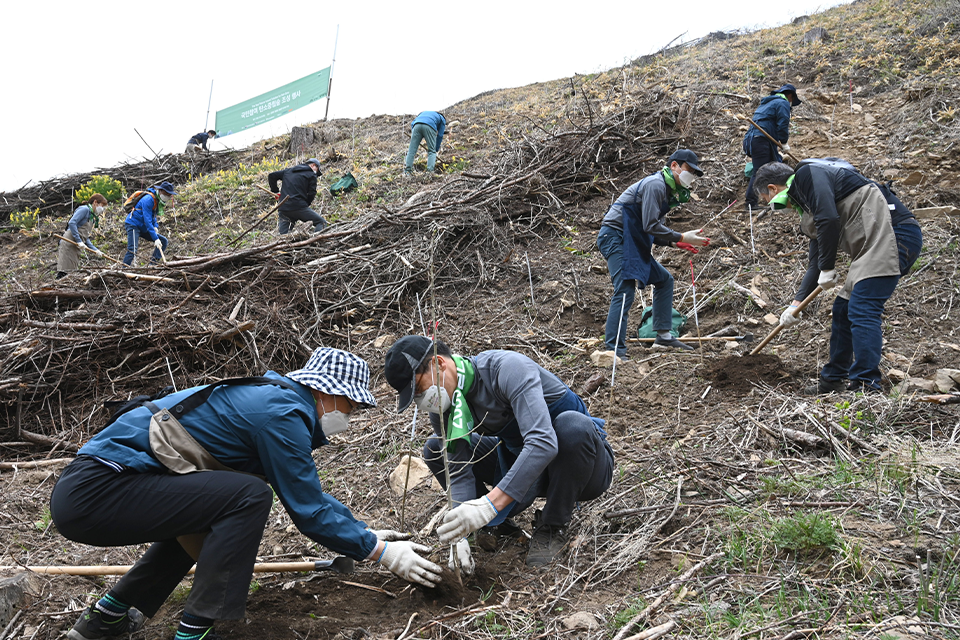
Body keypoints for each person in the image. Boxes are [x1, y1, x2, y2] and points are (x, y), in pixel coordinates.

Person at [51, 347, 442, 640]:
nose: (351, 416)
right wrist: (382, 553)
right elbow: (308, 510)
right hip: (98, 490)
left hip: (91, 490)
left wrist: (366, 535)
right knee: (249, 495)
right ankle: (195, 632)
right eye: (352, 406)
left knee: (211, 505)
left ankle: (107, 617)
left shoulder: (275, 399)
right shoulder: (283, 415)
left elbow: (307, 494)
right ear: (327, 392)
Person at [384, 336, 615, 569]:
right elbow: (458, 470)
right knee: (436, 449)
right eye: (415, 398)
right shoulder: (444, 408)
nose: (422, 400)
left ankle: (553, 525)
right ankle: (490, 525)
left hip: (581, 466)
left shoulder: (507, 369)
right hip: (524, 463)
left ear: (439, 363)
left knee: (572, 426)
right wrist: (460, 534)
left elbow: (543, 442)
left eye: (420, 389)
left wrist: (489, 505)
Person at [754, 158, 918, 394]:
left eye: (765, 200)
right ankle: (833, 380)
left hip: (895, 235)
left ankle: (865, 385)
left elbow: (829, 219)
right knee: (843, 309)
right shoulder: (809, 206)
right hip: (870, 248)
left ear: (772, 189)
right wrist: (795, 305)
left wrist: (828, 267)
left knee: (862, 308)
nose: (771, 205)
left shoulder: (808, 173)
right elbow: (815, 263)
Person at [596, 149, 710, 356]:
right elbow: (650, 225)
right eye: (689, 170)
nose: (691, 176)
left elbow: (652, 231)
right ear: (674, 165)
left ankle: (664, 337)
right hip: (616, 237)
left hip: (632, 240)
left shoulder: (667, 191)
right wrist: (682, 237)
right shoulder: (655, 185)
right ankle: (613, 350)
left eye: (694, 173)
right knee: (625, 289)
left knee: (664, 280)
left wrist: (676, 244)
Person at [743, 83, 802, 209]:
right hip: (761, 140)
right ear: (790, 95)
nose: (791, 102)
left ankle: (776, 198)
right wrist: (784, 142)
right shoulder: (782, 102)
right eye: (792, 99)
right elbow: (783, 122)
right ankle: (751, 203)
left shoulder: (768, 103)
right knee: (760, 172)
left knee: (772, 169)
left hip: (755, 139)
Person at [267, 158, 326, 234]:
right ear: (313, 165)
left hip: (284, 208)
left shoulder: (288, 171)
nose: (316, 173)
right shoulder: (311, 174)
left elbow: (272, 176)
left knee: (284, 236)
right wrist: (305, 204)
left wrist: (275, 190)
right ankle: (315, 241)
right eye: (317, 170)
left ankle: (284, 245)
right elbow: (312, 193)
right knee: (322, 223)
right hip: (299, 207)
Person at [122, 182, 172, 266]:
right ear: (160, 191)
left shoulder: (157, 200)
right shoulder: (149, 199)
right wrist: (155, 238)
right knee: (132, 249)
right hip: (133, 224)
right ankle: (123, 269)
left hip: (143, 226)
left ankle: (152, 264)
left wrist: (155, 227)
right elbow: (147, 220)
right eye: (166, 194)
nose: (168, 196)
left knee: (163, 241)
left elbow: (153, 216)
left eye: (169, 195)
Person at [57, 194, 107, 279]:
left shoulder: (91, 216)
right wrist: (78, 240)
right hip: (69, 242)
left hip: (75, 246)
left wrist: (96, 250)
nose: (102, 209)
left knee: (70, 273)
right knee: (64, 272)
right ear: (95, 202)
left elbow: (85, 237)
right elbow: (72, 223)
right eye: (101, 205)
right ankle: (53, 290)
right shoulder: (84, 209)